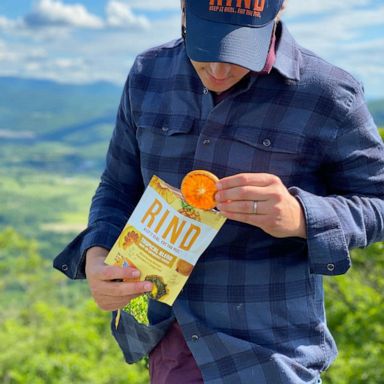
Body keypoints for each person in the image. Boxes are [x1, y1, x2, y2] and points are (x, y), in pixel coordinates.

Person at [54, 0, 384, 383]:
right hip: (165, 340)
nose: (217, 69)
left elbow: (378, 201)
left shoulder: (329, 95)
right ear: (182, 11)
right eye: (205, 47)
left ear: (278, 13)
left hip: (269, 357)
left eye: (238, 51)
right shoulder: (149, 73)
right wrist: (98, 256)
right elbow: (117, 186)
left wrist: (299, 217)